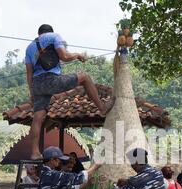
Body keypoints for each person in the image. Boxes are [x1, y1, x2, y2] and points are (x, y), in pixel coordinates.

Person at [25, 24, 115, 160]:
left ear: (39, 34)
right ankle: (102, 107)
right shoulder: (54, 37)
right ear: (50, 31)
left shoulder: (29, 47)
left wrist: (32, 92)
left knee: (37, 118)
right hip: (51, 80)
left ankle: (35, 152)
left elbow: (29, 73)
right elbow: (64, 56)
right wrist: (78, 55)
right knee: (84, 77)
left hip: (37, 84)